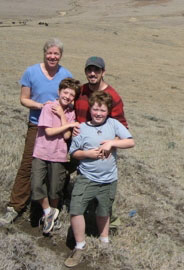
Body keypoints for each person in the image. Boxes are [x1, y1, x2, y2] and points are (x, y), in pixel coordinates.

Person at [0, 38, 72, 225]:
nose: (52, 57)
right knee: (27, 166)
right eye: (50, 53)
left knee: (56, 169)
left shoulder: (65, 75)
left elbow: (70, 98)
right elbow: (24, 99)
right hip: (37, 126)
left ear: (61, 56)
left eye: (56, 54)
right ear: (44, 53)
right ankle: (15, 206)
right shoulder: (31, 72)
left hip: (60, 129)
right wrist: (42, 106)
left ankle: (51, 211)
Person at [64, 91, 135, 267]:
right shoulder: (82, 128)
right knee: (76, 209)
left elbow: (130, 141)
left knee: (104, 210)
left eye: (102, 110)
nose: (98, 113)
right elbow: (74, 152)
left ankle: (105, 241)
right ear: (90, 108)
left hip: (109, 179)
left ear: (108, 111)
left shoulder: (114, 124)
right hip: (86, 178)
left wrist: (112, 143)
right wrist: (87, 153)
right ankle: (80, 246)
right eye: (95, 109)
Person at [31, 78, 80, 234]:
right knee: (37, 184)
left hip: (58, 155)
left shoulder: (71, 112)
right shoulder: (49, 107)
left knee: (55, 189)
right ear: (59, 92)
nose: (67, 96)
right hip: (41, 152)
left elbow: (66, 136)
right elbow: (49, 131)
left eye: (72, 94)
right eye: (65, 92)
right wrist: (67, 123)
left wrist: (62, 116)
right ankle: (48, 212)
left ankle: (51, 217)